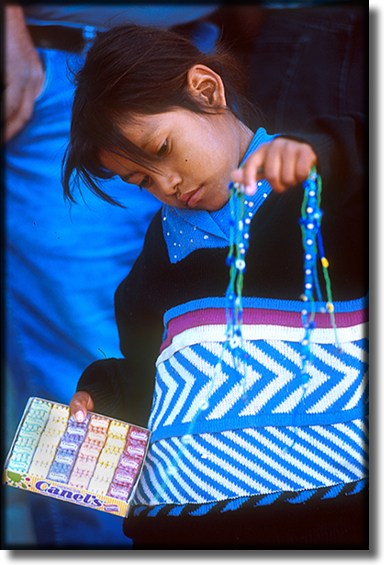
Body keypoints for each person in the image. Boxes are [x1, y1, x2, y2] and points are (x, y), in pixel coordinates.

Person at [62, 23, 368, 549]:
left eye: (162, 148)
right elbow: (150, 385)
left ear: (207, 90)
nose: (168, 186)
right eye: (141, 181)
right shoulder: (148, 279)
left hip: (341, 526)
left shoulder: (326, 190)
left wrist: (330, 154)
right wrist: (106, 396)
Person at [4, 3, 219, 548]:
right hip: (59, 73)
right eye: (148, 178)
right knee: (86, 383)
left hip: (192, 49)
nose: (165, 184)